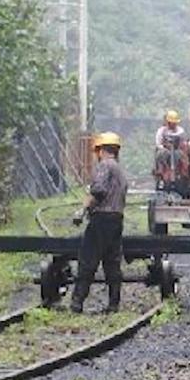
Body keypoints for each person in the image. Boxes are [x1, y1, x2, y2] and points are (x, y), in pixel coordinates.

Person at [70, 132, 128, 314]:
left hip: (101, 218)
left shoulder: (104, 166)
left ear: (100, 150)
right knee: (112, 262)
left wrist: (83, 210)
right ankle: (113, 304)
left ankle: (77, 302)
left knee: (88, 260)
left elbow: (98, 191)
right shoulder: (120, 170)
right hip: (116, 219)